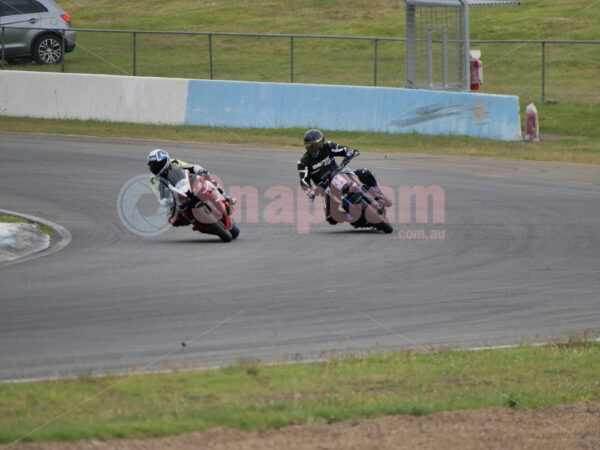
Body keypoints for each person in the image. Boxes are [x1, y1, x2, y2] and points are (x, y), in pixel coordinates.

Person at [297, 129, 392, 224]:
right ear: (308, 145)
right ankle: (351, 218)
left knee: (364, 172)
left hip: (340, 173)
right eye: (314, 144)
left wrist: (350, 152)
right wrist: (309, 191)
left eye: (318, 143)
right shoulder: (303, 162)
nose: (317, 146)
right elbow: (303, 181)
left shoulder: (328, 146)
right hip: (326, 188)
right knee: (331, 217)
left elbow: (343, 149)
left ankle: (378, 195)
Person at [147, 149, 234, 227]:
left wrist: (200, 170)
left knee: (207, 178)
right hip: (175, 197)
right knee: (173, 220)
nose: (155, 168)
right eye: (152, 166)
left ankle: (224, 196)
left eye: (157, 164)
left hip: (187, 184)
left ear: (165, 161)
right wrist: (165, 201)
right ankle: (195, 222)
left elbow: (191, 166)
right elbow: (158, 195)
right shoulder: (153, 179)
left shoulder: (173, 162)